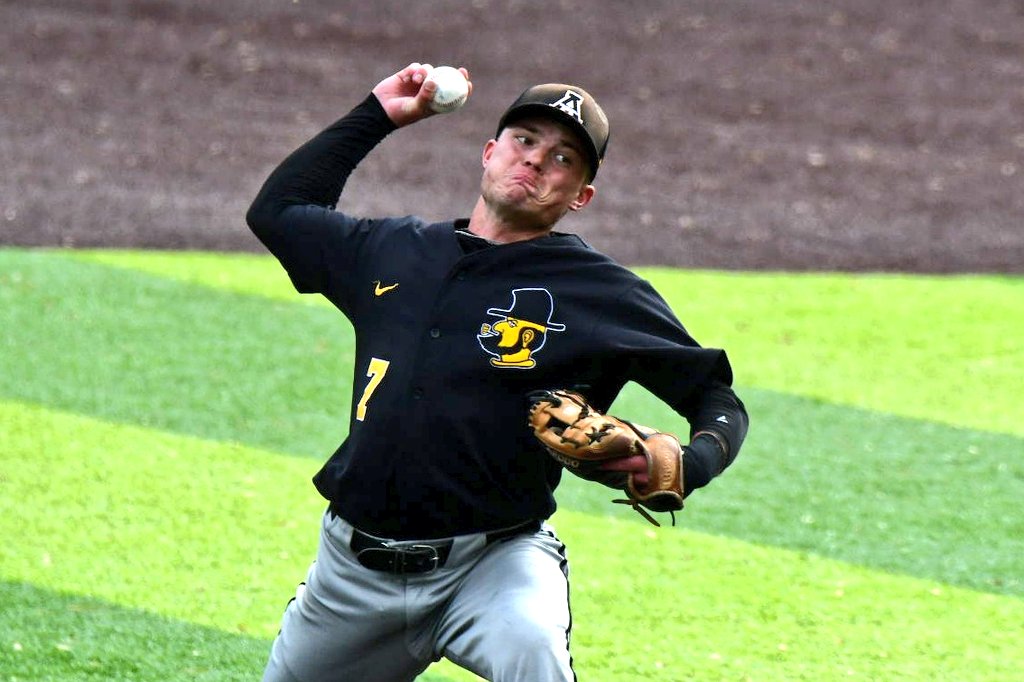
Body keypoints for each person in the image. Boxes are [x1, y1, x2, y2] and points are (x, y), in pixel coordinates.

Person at [246, 62, 748, 682]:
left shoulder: (600, 292)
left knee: (534, 655)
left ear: (580, 197)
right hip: (352, 578)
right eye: (525, 140)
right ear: (489, 152)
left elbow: (716, 398)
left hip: (495, 565)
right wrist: (377, 114)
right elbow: (279, 211)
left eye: (564, 158)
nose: (536, 161)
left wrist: (688, 463)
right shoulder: (393, 250)